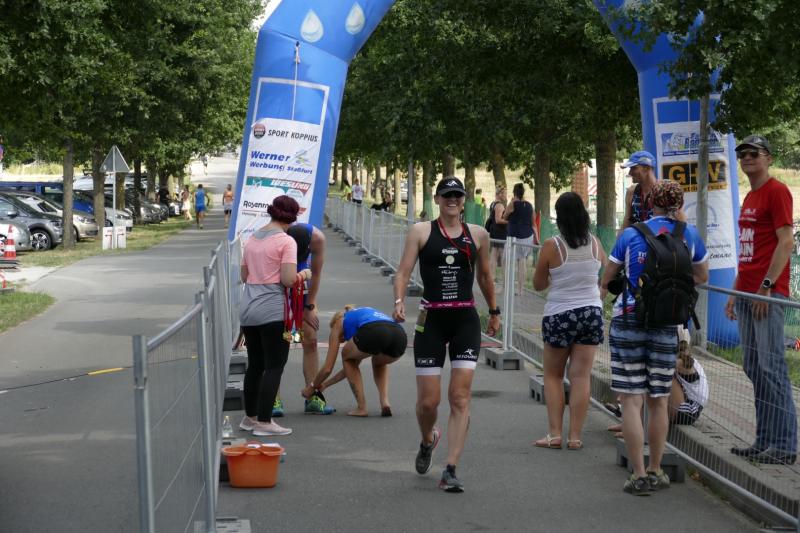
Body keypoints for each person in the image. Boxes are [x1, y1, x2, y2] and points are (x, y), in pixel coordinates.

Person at [393, 176, 501, 493]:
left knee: (460, 397)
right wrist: (399, 301)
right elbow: (403, 272)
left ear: (464, 200)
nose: (452, 200)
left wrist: (494, 311)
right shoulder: (421, 232)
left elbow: (485, 276)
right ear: (437, 199)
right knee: (429, 402)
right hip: (432, 321)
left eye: (457, 195)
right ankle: (428, 439)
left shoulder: (478, 235)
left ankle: (451, 468)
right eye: (447, 195)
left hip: (465, 321)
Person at [601, 180, 709, 495]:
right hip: (666, 322)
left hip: (629, 318)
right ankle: (656, 469)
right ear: (680, 205)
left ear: (651, 203)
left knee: (631, 399)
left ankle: (637, 474)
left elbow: (608, 277)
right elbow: (702, 275)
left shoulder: (631, 234)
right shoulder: (689, 235)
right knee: (659, 400)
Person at [725, 135, 797, 465]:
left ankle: (785, 445)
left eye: (754, 153)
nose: (747, 157)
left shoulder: (777, 191)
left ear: (768, 158)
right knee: (754, 367)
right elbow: (749, 251)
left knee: (772, 368)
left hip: (766, 294)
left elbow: (786, 242)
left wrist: (766, 287)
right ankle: (764, 439)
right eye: (742, 153)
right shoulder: (751, 196)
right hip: (747, 293)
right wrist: (735, 291)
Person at [532, 192, 606, 450]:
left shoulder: (552, 245)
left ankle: (555, 434)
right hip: (591, 313)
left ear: (559, 218)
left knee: (553, 376)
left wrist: (557, 278)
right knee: (581, 377)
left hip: (560, 314)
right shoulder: (595, 243)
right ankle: (575, 436)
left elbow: (538, 284)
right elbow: (603, 275)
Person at [238, 195, 311, 436]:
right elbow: (288, 279)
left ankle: (250, 417)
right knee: (275, 366)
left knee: (255, 365)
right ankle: (265, 421)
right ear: (291, 216)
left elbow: (244, 275)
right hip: (272, 310)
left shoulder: (252, 239)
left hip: (249, 308)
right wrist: (305, 275)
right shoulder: (286, 242)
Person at [301, 305, 407, 417]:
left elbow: (328, 368)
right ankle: (385, 403)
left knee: (346, 356)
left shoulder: (338, 324)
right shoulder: (360, 316)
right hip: (399, 336)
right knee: (378, 362)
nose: (343, 341)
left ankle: (362, 407)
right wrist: (325, 384)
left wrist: (312, 387)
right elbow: (350, 369)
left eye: (341, 339)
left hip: (374, 331)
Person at [283, 222, 334, 416]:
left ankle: (313, 397)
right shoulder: (279, 237)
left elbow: (317, 274)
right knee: (282, 342)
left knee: (310, 338)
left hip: (303, 281)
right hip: (279, 282)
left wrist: (309, 307)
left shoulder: (317, 239)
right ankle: (273, 399)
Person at [501, 183, 535, 295]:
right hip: (527, 236)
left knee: (506, 261)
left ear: (514, 193)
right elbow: (533, 223)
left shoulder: (512, 204)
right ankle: (520, 290)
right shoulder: (529, 205)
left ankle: (505, 288)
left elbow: (504, 217)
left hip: (514, 237)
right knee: (522, 261)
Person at [620, 151, 657, 231]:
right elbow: (626, 225)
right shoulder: (631, 192)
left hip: (660, 238)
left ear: (646, 168)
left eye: (633, 168)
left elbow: (680, 224)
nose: (630, 173)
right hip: (637, 238)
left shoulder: (664, 191)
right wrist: (619, 239)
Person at [488, 188, 508, 280]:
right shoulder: (499, 205)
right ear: (499, 194)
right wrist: (510, 221)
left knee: (494, 255)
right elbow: (498, 220)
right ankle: (505, 279)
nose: (506, 196)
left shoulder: (493, 203)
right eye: (505, 194)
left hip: (495, 231)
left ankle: (491, 277)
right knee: (503, 256)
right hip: (500, 232)